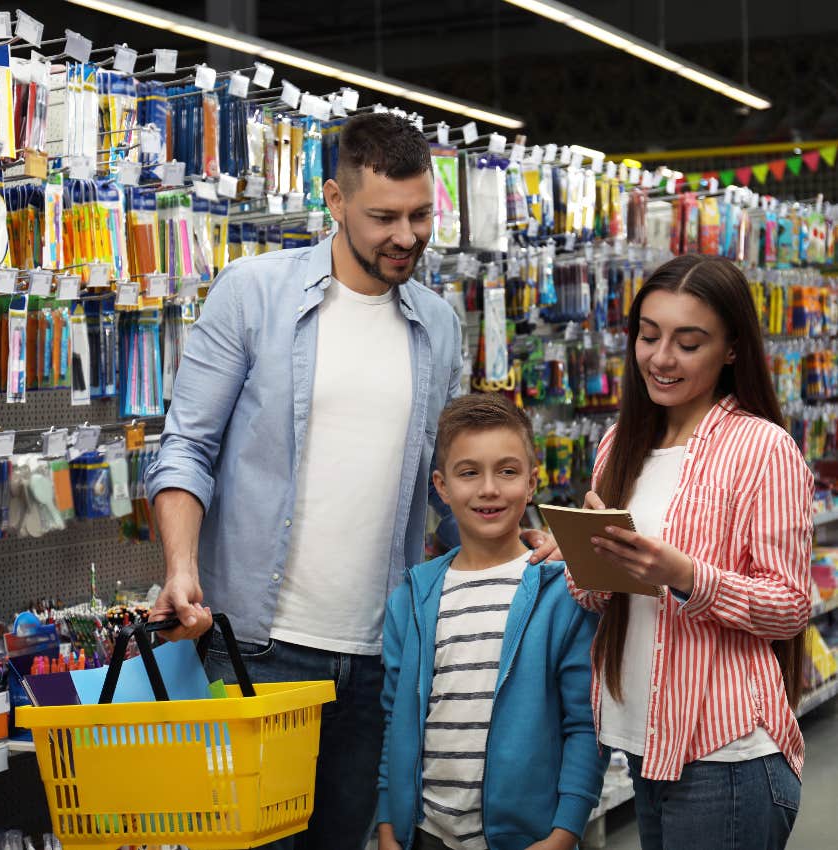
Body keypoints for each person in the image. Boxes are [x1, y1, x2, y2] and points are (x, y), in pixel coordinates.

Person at [145, 113, 555, 849]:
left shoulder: (436, 324)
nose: (407, 236)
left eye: (421, 214)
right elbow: (185, 447)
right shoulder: (253, 293)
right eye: (384, 217)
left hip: (381, 653)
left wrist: (515, 538)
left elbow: (440, 483)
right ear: (334, 199)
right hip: (256, 650)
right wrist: (179, 568)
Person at [563, 254, 813, 850]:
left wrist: (685, 575)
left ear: (731, 349)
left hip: (726, 755)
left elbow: (789, 605)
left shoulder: (763, 449)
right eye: (649, 336)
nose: (661, 357)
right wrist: (582, 555)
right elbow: (600, 596)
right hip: (644, 746)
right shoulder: (622, 443)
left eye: (688, 342)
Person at [378, 393, 609, 850]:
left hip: (528, 839)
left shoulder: (561, 591)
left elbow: (585, 724)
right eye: (469, 473)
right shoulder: (412, 598)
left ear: (532, 481)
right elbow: (394, 722)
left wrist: (565, 833)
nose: (489, 489)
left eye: (507, 471)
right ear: (442, 487)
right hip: (426, 835)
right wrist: (389, 826)